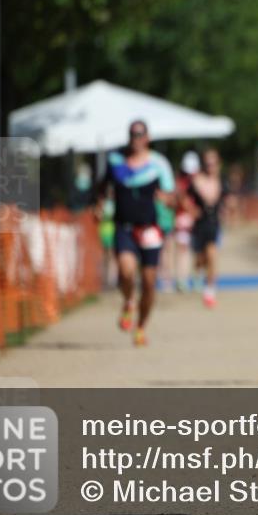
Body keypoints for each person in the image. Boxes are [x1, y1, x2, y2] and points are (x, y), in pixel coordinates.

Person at [98, 120, 175, 346]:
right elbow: (101, 188)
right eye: (133, 134)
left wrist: (166, 199)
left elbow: (173, 197)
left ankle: (141, 327)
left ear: (147, 137)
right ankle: (129, 301)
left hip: (150, 229)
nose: (136, 139)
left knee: (150, 283)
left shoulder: (158, 164)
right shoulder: (116, 162)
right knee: (126, 270)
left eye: (140, 134)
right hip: (124, 226)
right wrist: (98, 203)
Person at [189, 149, 225, 308]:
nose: (211, 166)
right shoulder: (197, 180)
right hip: (199, 224)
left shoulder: (222, 181)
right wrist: (191, 210)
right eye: (207, 163)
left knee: (212, 255)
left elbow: (227, 198)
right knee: (200, 259)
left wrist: (230, 207)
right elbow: (185, 198)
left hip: (214, 223)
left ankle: (209, 291)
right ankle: (199, 270)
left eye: (213, 163)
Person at [172, 151, 200, 292]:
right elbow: (181, 200)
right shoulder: (181, 183)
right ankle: (181, 279)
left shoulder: (198, 181)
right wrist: (192, 211)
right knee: (183, 251)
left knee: (197, 251)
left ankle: (195, 278)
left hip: (196, 221)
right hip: (184, 220)